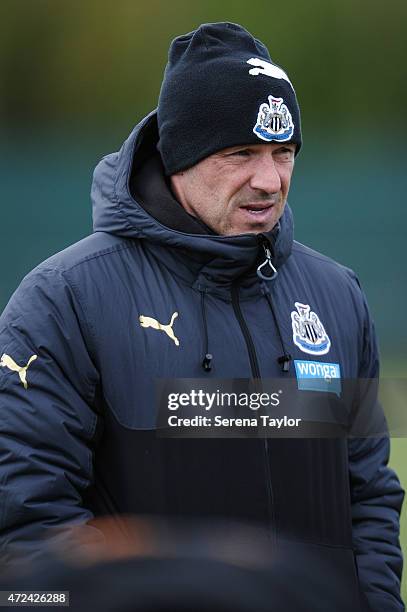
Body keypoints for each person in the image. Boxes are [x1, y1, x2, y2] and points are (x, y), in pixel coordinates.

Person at [0, 22, 403, 611]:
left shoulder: (337, 296)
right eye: (241, 153)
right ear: (179, 157)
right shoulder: (64, 300)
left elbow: (368, 501)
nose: (269, 180)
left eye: (283, 152)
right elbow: (28, 534)